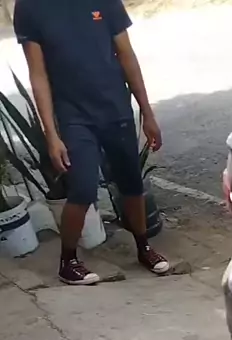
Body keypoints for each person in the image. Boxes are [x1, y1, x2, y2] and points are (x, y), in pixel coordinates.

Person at [13, 0, 170, 285]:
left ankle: (143, 247)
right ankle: (68, 262)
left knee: (131, 184)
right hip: (74, 116)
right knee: (83, 188)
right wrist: (51, 135)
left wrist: (147, 112)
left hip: (116, 108)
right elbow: (38, 74)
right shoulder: (30, 7)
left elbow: (126, 55)